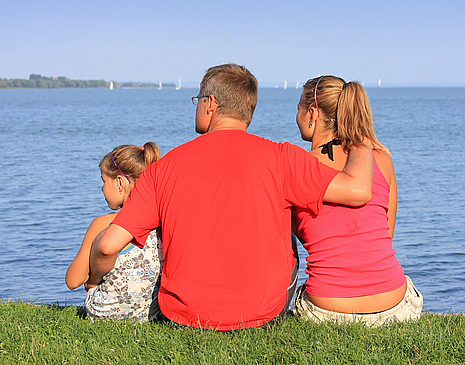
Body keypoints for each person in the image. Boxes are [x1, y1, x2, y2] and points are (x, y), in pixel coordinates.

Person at [86, 64, 374, 331]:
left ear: (211, 104)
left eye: (198, 99)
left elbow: (109, 245)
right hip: (263, 314)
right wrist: (359, 137)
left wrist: (94, 281)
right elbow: (358, 191)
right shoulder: (282, 157)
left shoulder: (163, 168)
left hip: (184, 315)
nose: (197, 106)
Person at [292, 75, 423, 326]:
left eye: (298, 108)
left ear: (313, 113)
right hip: (393, 306)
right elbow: (386, 233)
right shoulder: (382, 159)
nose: (297, 115)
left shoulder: (298, 168)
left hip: (326, 311)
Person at [65, 142, 162, 322]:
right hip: (151, 314)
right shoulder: (162, 220)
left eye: (103, 181)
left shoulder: (104, 223)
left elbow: (73, 281)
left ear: (119, 182)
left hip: (104, 314)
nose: (102, 188)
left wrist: (93, 277)